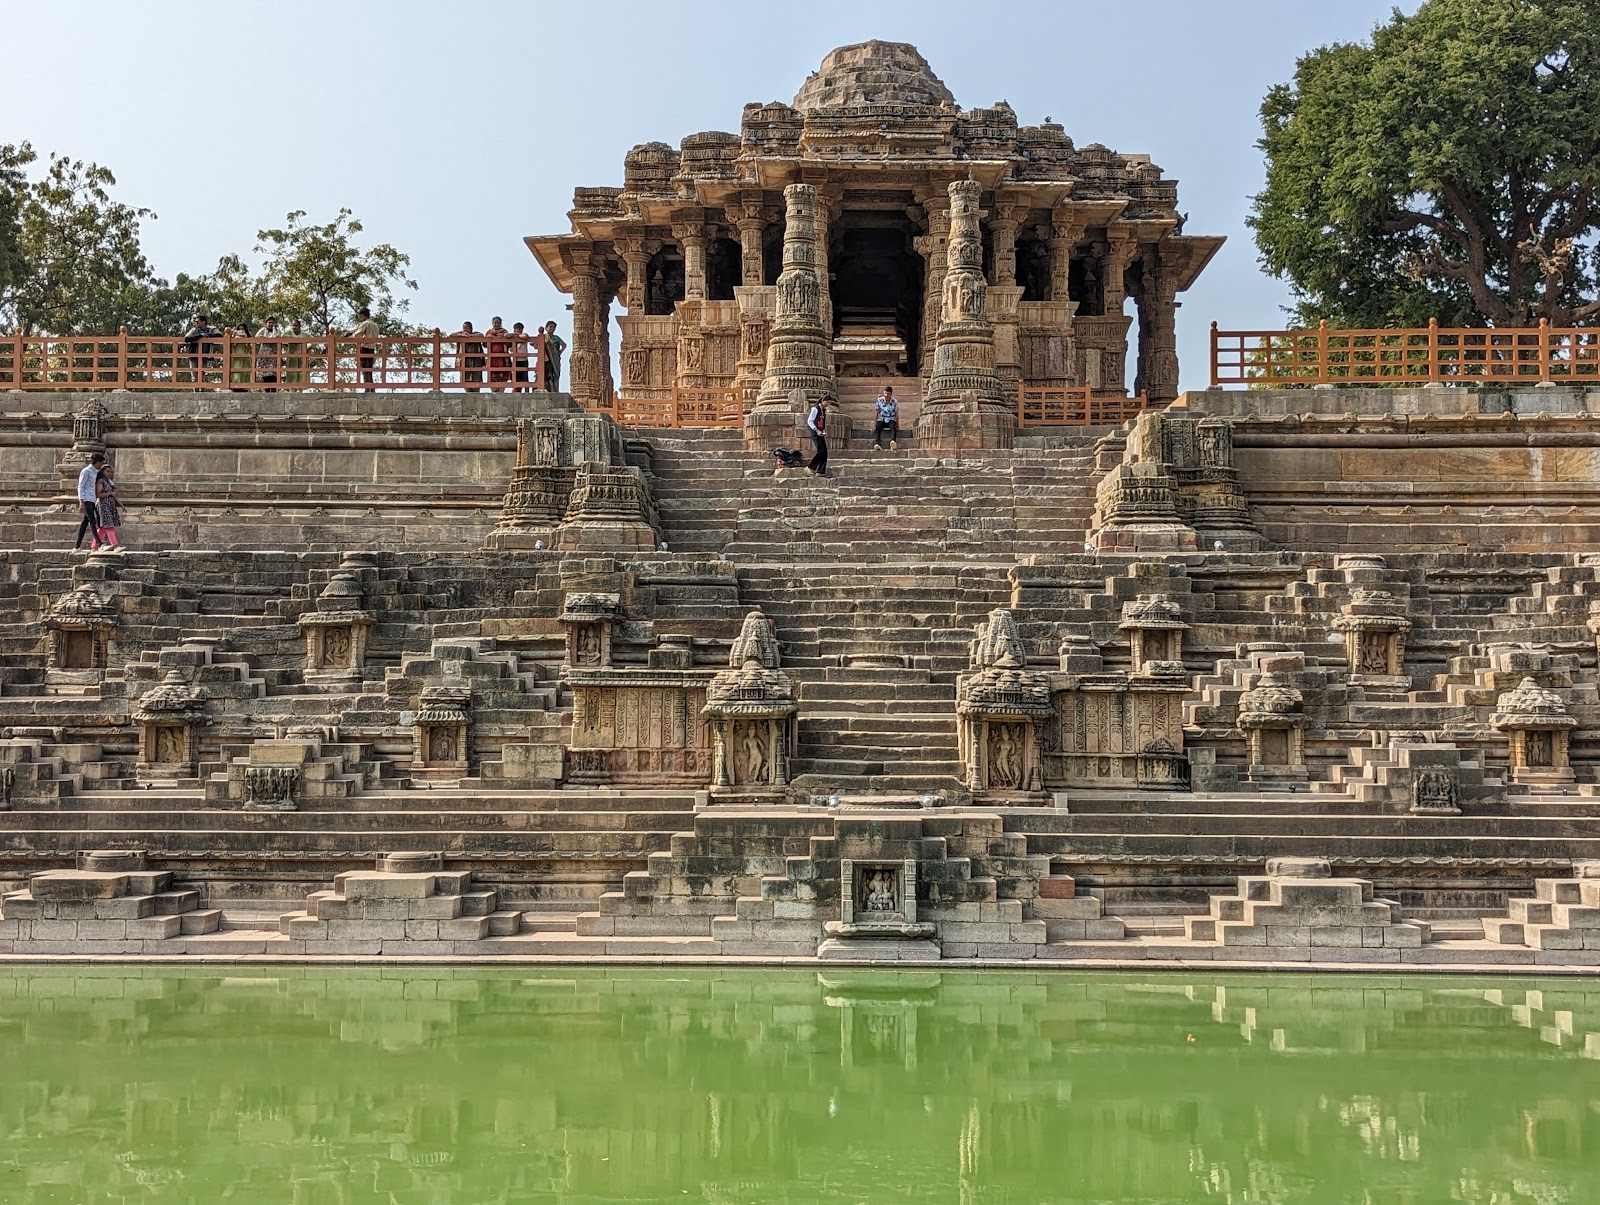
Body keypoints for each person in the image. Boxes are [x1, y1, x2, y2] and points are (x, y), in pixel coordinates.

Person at [73, 452, 106, 551]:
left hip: (92, 499)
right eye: (101, 463)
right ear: (97, 462)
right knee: (92, 520)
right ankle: (99, 544)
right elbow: (81, 486)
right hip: (86, 498)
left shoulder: (95, 472)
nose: (101, 465)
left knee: (85, 522)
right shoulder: (86, 471)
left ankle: (77, 546)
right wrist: (81, 501)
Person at [181, 313, 221, 388]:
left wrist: (208, 336)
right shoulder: (194, 330)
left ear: (203, 322)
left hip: (205, 355)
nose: (196, 323)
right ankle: (195, 390)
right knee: (194, 374)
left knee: (202, 373)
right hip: (194, 355)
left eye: (197, 322)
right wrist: (200, 336)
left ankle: (201, 389)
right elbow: (186, 338)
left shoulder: (211, 329)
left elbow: (219, 335)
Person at [350, 306, 381, 392]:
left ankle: (367, 388)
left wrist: (352, 336)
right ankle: (372, 388)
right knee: (370, 369)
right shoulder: (375, 325)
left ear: (363, 315)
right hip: (372, 348)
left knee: (364, 369)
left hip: (365, 348)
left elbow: (357, 335)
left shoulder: (365, 324)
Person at [94, 463, 122, 551]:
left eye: (111, 472)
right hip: (103, 505)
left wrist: (121, 505)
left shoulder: (109, 482)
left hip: (110, 505)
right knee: (108, 525)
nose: (109, 473)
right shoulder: (100, 481)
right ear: (103, 472)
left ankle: (94, 546)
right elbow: (98, 494)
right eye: (107, 471)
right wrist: (109, 493)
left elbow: (114, 495)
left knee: (102, 528)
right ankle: (115, 545)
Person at [452, 321, 485, 392]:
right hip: (464, 361)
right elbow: (451, 335)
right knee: (465, 380)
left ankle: (476, 393)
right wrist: (461, 335)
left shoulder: (475, 334)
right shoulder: (461, 334)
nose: (465, 330)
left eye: (467, 328)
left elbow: (481, 335)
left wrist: (470, 336)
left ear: (471, 329)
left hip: (476, 361)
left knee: (476, 380)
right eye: (464, 328)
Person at [486, 316, 513, 391]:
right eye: (495, 323)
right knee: (492, 375)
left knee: (503, 375)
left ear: (501, 323)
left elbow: (510, 344)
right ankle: (494, 391)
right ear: (492, 323)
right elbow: (484, 344)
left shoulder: (504, 332)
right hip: (492, 358)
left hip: (503, 358)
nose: (496, 324)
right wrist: (490, 337)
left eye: (498, 323)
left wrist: (503, 337)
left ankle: (501, 390)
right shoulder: (489, 332)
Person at [256, 316, 282, 390]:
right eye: (269, 322)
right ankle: (266, 390)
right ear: (266, 323)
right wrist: (267, 339)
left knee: (273, 373)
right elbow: (257, 337)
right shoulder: (263, 330)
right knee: (264, 373)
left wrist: (274, 329)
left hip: (273, 356)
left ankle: (273, 390)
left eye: (272, 323)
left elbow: (276, 337)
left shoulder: (277, 330)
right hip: (264, 355)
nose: (270, 324)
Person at [806, 395, 830, 477]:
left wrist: (823, 431)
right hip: (815, 431)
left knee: (824, 451)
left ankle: (821, 471)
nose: (828, 404)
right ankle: (810, 467)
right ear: (823, 401)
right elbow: (810, 421)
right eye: (827, 402)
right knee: (821, 450)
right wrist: (816, 430)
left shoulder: (823, 410)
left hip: (820, 432)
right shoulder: (815, 409)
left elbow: (822, 422)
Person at [540, 321, 566, 393]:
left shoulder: (556, 338)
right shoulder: (543, 337)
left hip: (555, 359)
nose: (552, 328)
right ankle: (548, 389)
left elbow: (564, 345)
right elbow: (536, 345)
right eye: (550, 327)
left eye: (553, 327)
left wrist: (560, 352)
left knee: (555, 374)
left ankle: (555, 390)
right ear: (546, 328)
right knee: (547, 374)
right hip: (546, 359)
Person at [873, 384, 900, 451]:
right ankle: (878, 444)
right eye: (885, 393)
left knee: (893, 426)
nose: (886, 395)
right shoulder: (879, 400)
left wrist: (897, 423)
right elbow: (876, 412)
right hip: (882, 418)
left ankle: (893, 442)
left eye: (888, 394)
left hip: (891, 418)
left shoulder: (894, 401)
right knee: (878, 427)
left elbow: (896, 413)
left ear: (891, 394)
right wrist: (875, 422)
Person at [229, 324, 253, 389]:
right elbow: (230, 347)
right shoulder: (234, 338)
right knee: (236, 373)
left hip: (246, 358)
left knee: (245, 373)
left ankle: (245, 387)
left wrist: (246, 338)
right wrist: (233, 336)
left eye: (242, 329)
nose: (241, 331)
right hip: (237, 358)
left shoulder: (248, 337)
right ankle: (236, 386)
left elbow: (251, 348)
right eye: (239, 329)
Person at [512, 322, 532, 392]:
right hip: (516, 360)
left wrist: (517, 334)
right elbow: (506, 335)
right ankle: (517, 391)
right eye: (515, 329)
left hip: (524, 360)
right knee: (517, 377)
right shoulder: (513, 337)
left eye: (518, 329)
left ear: (521, 330)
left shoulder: (523, 335)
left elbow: (525, 336)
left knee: (525, 376)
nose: (516, 331)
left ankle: (527, 391)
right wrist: (514, 334)